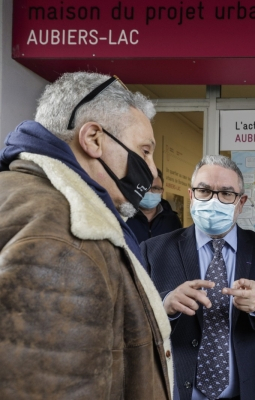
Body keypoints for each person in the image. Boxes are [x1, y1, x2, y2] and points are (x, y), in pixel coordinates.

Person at [0, 72, 174, 399]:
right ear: (93, 138)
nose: (151, 171)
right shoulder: (70, 233)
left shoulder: (21, 193)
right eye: (145, 151)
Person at [142, 154, 255, 400]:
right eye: (204, 191)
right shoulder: (154, 250)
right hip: (176, 391)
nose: (214, 201)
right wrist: (164, 306)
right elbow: (130, 318)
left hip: (247, 392)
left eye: (227, 194)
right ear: (191, 195)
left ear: (241, 202)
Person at [127, 168, 183, 243]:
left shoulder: (172, 220)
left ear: (162, 192)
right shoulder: (124, 218)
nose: (149, 192)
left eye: (155, 188)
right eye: (145, 187)